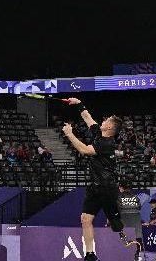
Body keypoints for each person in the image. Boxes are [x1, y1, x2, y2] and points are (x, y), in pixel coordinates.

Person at [61, 97, 133, 261]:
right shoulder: (98, 134)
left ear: (109, 127)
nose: (103, 120)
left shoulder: (107, 143)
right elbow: (87, 117)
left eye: (106, 120)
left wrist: (70, 134)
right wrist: (79, 103)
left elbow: (85, 150)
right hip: (95, 187)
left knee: (115, 223)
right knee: (85, 219)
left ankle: (127, 240)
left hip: (108, 189)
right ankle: (90, 255)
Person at [117, 183, 143, 261]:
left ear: (122, 188)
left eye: (119, 188)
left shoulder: (119, 198)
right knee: (138, 239)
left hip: (124, 221)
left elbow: (117, 209)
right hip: (136, 222)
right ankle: (137, 256)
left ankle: (125, 256)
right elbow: (139, 207)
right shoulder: (136, 198)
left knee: (124, 238)